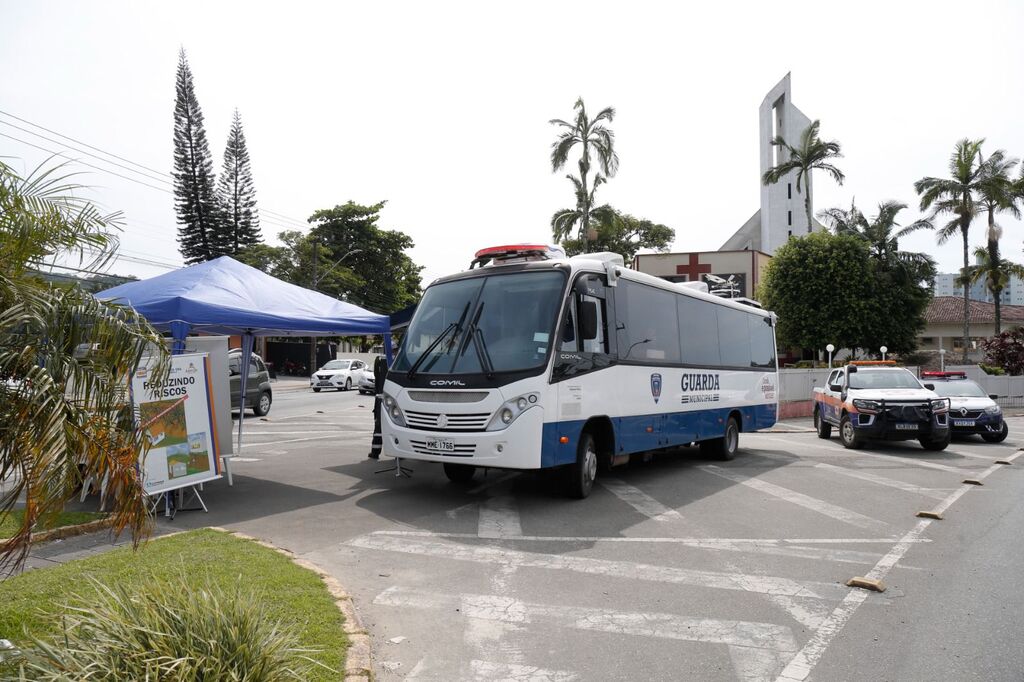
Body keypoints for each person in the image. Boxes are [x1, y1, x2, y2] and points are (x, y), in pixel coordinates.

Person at [367, 354, 388, 459]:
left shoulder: (380, 360)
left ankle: (375, 452)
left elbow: (376, 376)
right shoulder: (399, 359)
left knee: (378, 428)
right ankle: (399, 456)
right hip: (392, 398)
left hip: (380, 398)